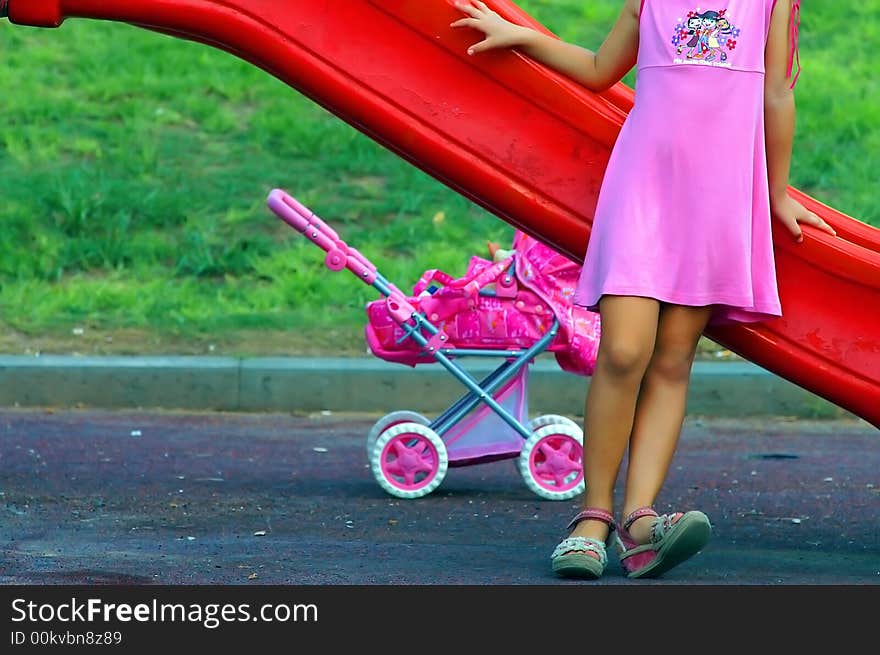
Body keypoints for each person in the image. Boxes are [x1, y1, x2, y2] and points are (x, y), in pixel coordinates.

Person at [451, 0, 837, 580]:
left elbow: (777, 95)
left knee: (674, 358)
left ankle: (638, 523)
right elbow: (601, 68)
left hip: (719, 194)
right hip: (644, 186)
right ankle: (592, 517)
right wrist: (520, 36)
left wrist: (777, 192)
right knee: (625, 350)